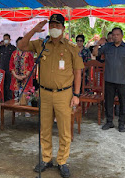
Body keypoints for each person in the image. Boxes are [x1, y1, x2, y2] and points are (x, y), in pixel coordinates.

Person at [18, 14, 84, 178]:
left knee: (64, 130)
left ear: (63, 28)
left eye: (57, 25)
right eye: (51, 25)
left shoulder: (71, 47)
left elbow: (78, 72)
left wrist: (76, 94)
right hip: (45, 93)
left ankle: (62, 161)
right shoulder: (41, 44)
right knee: (44, 128)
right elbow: (21, 45)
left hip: (64, 94)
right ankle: (46, 159)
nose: (53, 28)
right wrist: (34, 29)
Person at [96, 27, 125, 132]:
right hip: (109, 79)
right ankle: (109, 122)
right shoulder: (107, 46)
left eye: (118, 34)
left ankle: (121, 123)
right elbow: (95, 53)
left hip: (122, 80)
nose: (115, 36)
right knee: (108, 102)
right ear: (111, 36)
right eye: (114, 35)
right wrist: (97, 43)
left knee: (123, 103)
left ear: (122, 36)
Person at [0, 34, 17, 101]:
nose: (5, 40)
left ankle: (8, 99)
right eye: (4, 39)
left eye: (6, 39)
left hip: (9, 69)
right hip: (1, 69)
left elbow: (16, 58)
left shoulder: (13, 48)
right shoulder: (0, 48)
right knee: (2, 84)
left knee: (8, 84)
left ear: (9, 40)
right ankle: (2, 98)